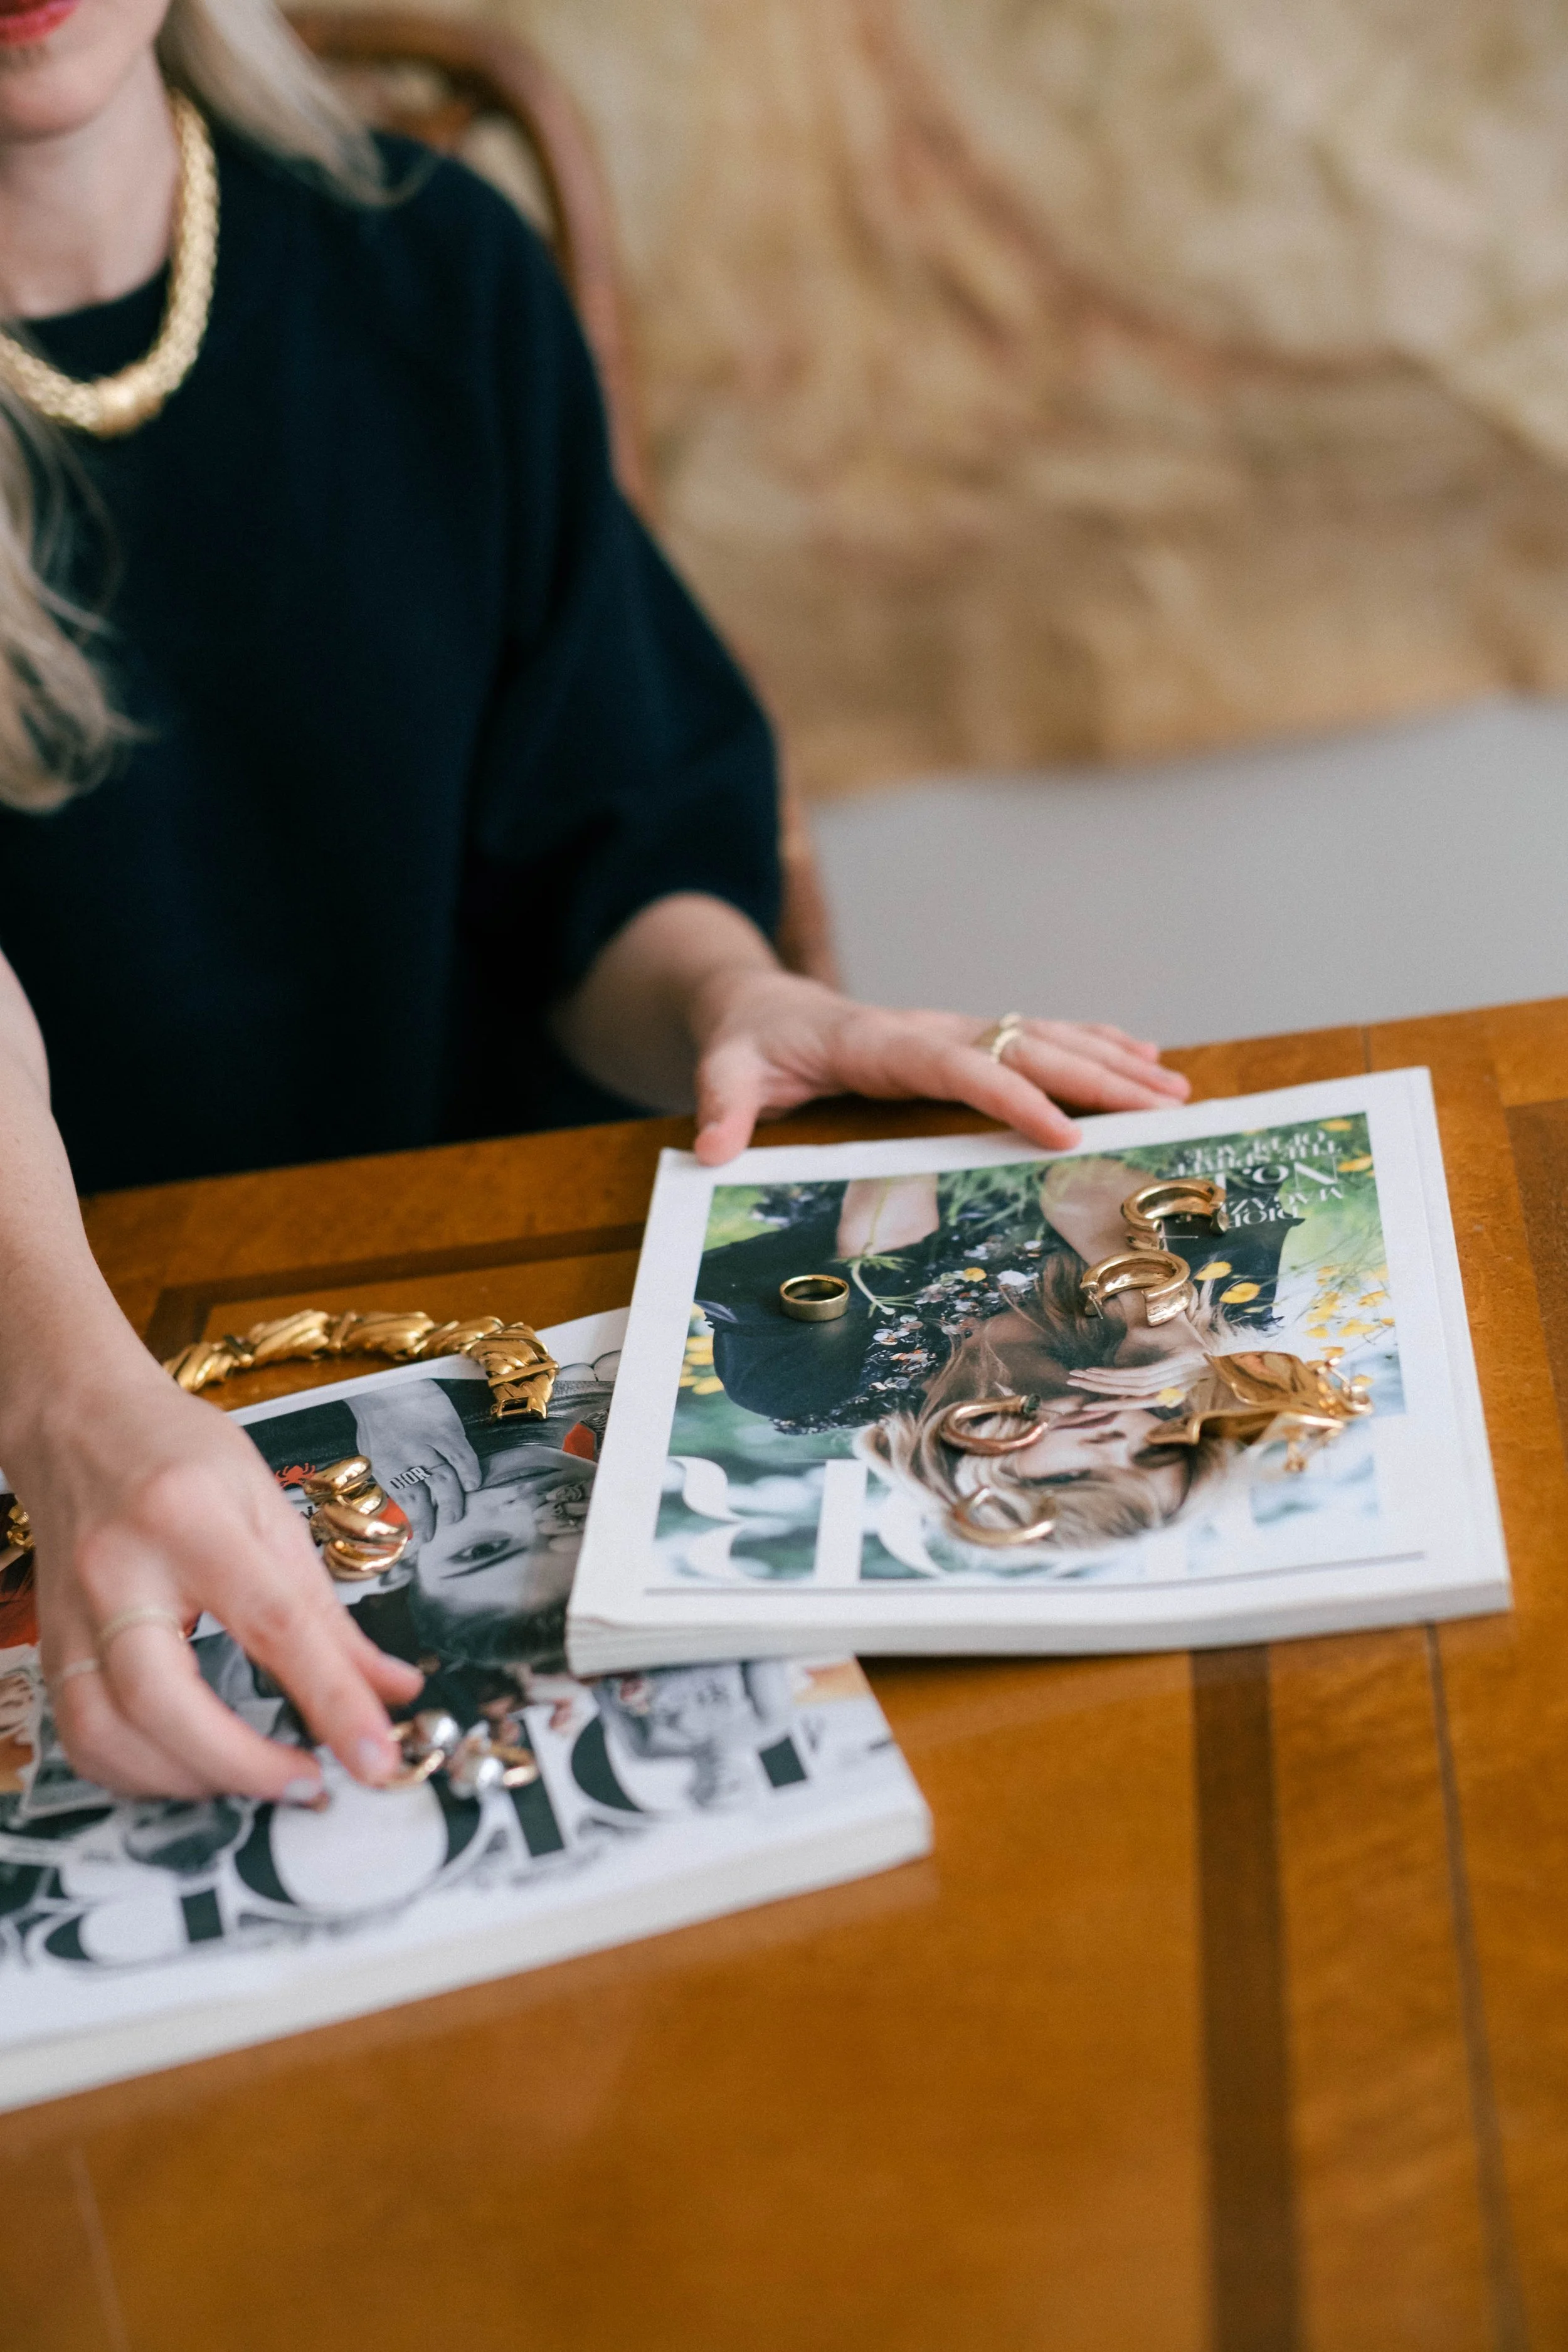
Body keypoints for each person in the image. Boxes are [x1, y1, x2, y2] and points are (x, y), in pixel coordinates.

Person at [0, 0, 1190, 1803]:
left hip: (476, 1311)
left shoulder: (431, 262)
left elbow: (592, 843)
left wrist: (732, 993)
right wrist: (69, 1397)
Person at [697, 1155, 1302, 1555]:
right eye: (1152, 1449)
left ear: (974, 1480)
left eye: (1073, 1475)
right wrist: (1152, 1315)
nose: (1114, 1443)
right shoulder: (1220, 1318)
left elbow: (894, 1189)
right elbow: (1082, 1172)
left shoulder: (808, 1387)